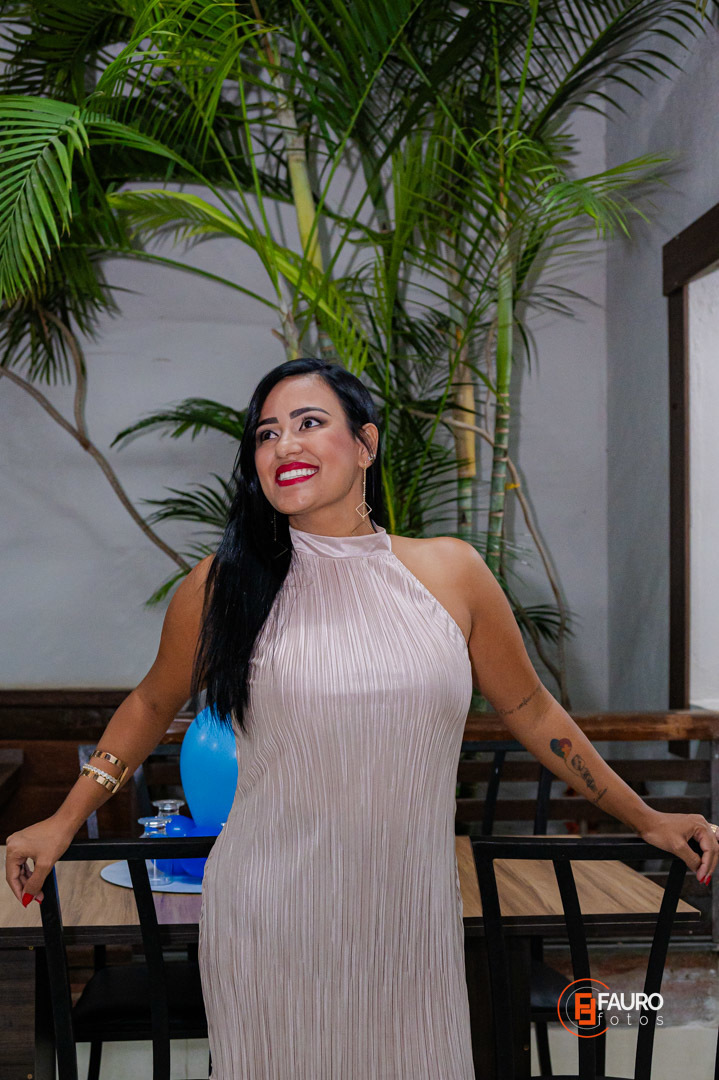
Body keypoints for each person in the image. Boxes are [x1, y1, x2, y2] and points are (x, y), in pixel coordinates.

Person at [5, 356, 718, 1079]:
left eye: (309, 422)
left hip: (409, 916)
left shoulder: (451, 572)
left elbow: (531, 708)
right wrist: (62, 821)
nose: (284, 444)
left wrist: (645, 818)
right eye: (266, 433)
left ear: (366, 444)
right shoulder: (223, 586)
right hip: (268, 916)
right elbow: (151, 704)